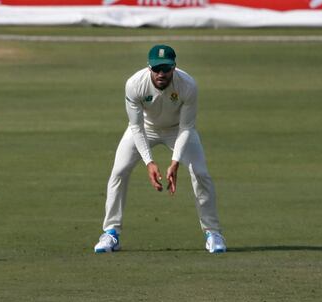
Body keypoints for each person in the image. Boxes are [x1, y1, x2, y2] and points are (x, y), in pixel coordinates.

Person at [94, 44, 226, 254]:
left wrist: (175, 162)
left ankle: (213, 233)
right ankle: (111, 233)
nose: (161, 74)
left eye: (166, 68)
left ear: (174, 67)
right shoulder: (134, 84)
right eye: (156, 69)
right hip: (145, 128)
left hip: (178, 130)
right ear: (149, 68)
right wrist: (149, 162)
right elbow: (136, 127)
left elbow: (186, 127)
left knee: (200, 173)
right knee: (118, 172)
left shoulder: (188, 85)